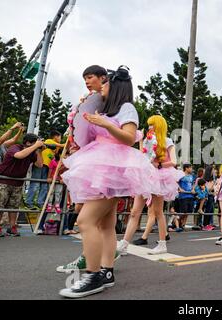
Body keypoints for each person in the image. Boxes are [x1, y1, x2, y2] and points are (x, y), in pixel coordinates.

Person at [59, 66, 156, 298]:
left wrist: (105, 124)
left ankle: (93, 275)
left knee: (85, 221)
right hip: (98, 166)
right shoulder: (104, 108)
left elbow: (129, 138)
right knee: (105, 225)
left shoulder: (126, 108)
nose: (101, 86)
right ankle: (107, 272)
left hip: (112, 168)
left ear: (115, 86)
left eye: (105, 83)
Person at [56, 65, 122, 273]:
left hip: (104, 163)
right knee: (102, 221)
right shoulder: (91, 100)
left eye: (90, 77)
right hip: (90, 160)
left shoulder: (111, 103)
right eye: (84, 78)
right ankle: (102, 261)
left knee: (87, 217)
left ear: (103, 78)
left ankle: (94, 266)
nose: (87, 81)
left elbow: (121, 134)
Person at [118, 115, 183, 255]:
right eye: (149, 125)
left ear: (158, 126)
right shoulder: (148, 140)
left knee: (158, 212)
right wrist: (141, 141)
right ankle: (124, 244)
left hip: (159, 177)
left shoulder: (167, 141)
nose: (150, 127)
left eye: (152, 124)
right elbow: (144, 156)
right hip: (145, 177)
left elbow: (174, 161)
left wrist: (158, 164)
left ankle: (162, 244)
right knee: (135, 212)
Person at [0, 134, 44, 237]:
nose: (37, 145)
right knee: (0, 206)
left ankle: (12, 227)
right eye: (35, 142)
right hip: (3, 181)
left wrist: (39, 150)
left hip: (18, 183)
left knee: (14, 207)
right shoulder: (15, 147)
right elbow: (19, 155)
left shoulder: (32, 151)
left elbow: (39, 165)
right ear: (27, 142)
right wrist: (35, 146)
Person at [25, 130, 64, 210]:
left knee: (44, 185)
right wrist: (65, 144)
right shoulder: (49, 141)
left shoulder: (56, 147)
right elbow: (60, 145)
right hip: (39, 164)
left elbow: (55, 154)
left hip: (47, 166)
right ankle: (29, 202)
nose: (60, 139)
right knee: (35, 183)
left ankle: (40, 202)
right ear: (55, 136)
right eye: (60, 137)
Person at [177, 164, 195, 230]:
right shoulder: (181, 175)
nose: (191, 169)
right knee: (184, 211)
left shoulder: (191, 176)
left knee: (188, 211)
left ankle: (183, 225)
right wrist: (180, 188)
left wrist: (193, 189)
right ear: (186, 168)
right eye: (190, 168)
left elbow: (193, 184)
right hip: (183, 196)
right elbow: (176, 182)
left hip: (190, 195)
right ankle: (176, 221)